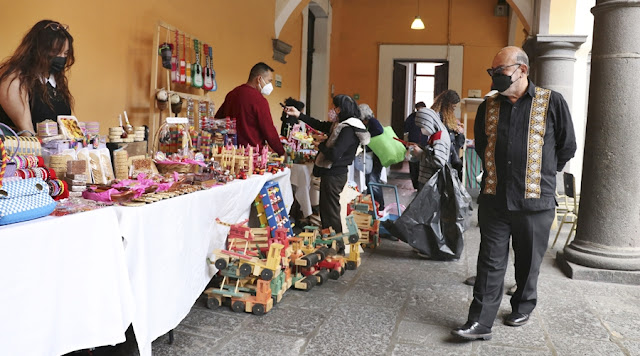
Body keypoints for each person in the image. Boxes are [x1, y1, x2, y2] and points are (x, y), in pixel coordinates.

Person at [451, 46, 576, 341]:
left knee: (528, 261)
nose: (495, 77)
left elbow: (567, 145)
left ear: (522, 70)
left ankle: (522, 305)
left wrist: (541, 174)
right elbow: (482, 145)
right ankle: (480, 321)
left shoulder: (551, 102)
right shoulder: (488, 106)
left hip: (535, 200)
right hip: (495, 198)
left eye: (501, 71)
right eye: (492, 72)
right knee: (489, 262)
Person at [284, 95, 370, 233]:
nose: (332, 110)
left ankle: (336, 243)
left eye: (334, 107)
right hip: (332, 173)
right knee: (326, 210)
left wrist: (321, 145)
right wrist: (299, 115)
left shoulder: (348, 128)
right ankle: (330, 240)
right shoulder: (340, 125)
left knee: (331, 212)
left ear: (341, 109)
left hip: (335, 174)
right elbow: (319, 124)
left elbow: (335, 154)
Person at [0, 20, 75, 136]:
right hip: (23, 151)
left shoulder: (55, 80)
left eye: (65, 54)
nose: (61, 58)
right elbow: (26, 131)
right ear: (37, 50)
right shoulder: (14, 78)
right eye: (55, 52)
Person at [215, 62, 285, 155]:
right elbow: (269, 131)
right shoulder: (259, 100)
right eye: (269, 81)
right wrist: (281, 152)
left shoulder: (232, 94)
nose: (270, 85)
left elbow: (218, 120)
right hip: (252, 155)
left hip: (230, 152)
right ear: (259, 79)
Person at [411, 107, 450, 190]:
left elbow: (439, 162)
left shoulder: (439, 138)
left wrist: (420, 154)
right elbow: (433, 153)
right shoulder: (436, 134)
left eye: (423, 127)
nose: (422, 130)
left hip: (431, 183)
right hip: (429, 182)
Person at [431, 90, 464, 179]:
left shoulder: (448, 118)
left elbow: (459, 143)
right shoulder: (437, 117)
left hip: (448, 157)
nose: (454, 109)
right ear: (447, 105)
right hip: (442, 156)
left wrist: (459, 132)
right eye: (453, 107)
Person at [358, 103, 385, 210]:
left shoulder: (373, 122)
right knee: (370, 181)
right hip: (374, 156)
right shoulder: (370, 122)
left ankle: (379, 206)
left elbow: (379, 130)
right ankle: (372, 205)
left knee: (373, 181)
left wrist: (367, 135)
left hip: (377, 156)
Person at [404, 101, 428, 189]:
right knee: (413, 165)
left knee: (422, 165)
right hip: (412, 144)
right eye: (418, 110)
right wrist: (406, 144)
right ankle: (415, 185)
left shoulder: (427, 118)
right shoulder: (411, 117)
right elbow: (406, 130)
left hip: (424, 145)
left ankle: (421, 184)